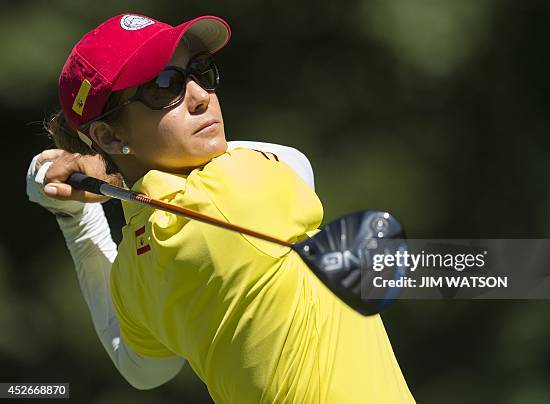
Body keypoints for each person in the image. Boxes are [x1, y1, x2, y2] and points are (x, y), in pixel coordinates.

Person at [26, 13, 415, 403]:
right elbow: (298, 162)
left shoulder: (132, 272)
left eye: (200, 72)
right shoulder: (237, 188)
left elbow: (141, 370)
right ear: (109, 135)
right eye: (165, 87)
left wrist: (77, 218)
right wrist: (108, 177)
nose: (200, 97)